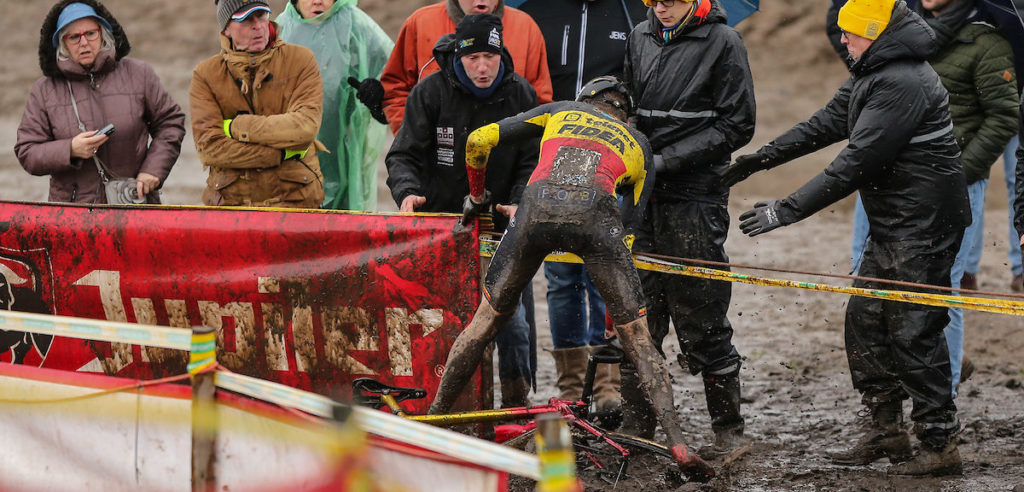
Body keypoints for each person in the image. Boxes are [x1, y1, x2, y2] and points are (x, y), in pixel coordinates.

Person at [722, 0, 970, 476]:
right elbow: (826, 123)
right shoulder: (871, 71)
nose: (842, 41)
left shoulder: (902, 82)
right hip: (894, 222)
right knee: (865, 320)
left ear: (876, 34)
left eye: (851, 34)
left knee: (913, 329)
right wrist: (763, 159)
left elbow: (856, 162)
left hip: (926, 224)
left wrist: (785, 209)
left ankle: (940, 443)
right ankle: (886, 429)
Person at [429, 76, 715, 481]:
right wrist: (617, 310)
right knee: (640, 341)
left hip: (534, 212)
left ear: (586, 100)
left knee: (484, 322)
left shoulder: (559, 110)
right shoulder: (638, 143)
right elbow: (630, 230)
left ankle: (430, 424)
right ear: (625, 114)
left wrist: (477, 197)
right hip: (597, 221)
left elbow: (478, 140)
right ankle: (680, 447)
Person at [848, 0, 1018, 393]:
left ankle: (947, 391)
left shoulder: (987, 41)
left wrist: (958, 173)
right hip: (886, 179)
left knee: (944, 288)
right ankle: (893, 391)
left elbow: (1003, 117)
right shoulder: (898, 34)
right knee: (868, 280)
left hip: (950, 185)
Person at [622, 0, 755, 459]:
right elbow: (632, 106)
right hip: (643, 193)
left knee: (702, 311)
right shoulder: (639, 36)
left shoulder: (724, 41)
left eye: (672, 0)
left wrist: (665, 162)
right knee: (637, 310)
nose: (661, 8)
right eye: (653, 0)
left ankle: (729, 431)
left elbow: (739, 124)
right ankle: (637, 429)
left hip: (697, 194)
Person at [385, 14, 539, 407]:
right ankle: (449, 403)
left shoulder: (521, 94)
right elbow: (404, 155)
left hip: (502, 224)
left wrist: (521, 198)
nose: (483, 67)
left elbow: (533, 158)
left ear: (501, 54)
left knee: (512, 323)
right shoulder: (431, 92)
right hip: (443, 225)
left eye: (490, 56)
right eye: (474, 59)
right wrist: (408, 193)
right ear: (459, 56)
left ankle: (517, 403)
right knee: (441, 319)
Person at [516, 0, 648, 421]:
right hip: (554, 156)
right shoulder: (539, 11)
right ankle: (572, 388)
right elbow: (531, 82)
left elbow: (638, 85)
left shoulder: (631, 13)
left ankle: (607, 383)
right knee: (560, 279)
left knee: (601, 274)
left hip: (608, 159)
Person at [15, 0, 185, 204]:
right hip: (73, 215)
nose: (84, 43)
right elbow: (27, 152)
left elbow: (170, 124)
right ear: (62, 43)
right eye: (74, 37)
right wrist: (70, 149)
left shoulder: (139, 74)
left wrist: (152, 171)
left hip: (135, 205)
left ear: (102, 33)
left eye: (90, 33)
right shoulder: (44, 90)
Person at [190, 0, 325, 209]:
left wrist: (238, 127)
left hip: (295, 199)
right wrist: (278, 154)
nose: (258, 26)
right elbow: (209, 148)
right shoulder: (205, 74)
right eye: (246, 20)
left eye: (262, 16)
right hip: (231, 203)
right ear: (226, 29)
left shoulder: (302, 60)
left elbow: (304, 128)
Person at [276, 0, 393, 211]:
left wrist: (378, 98)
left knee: (342, 223)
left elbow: (394, 73)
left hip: (343, 150)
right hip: (290, 154)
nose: (318, 1)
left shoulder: (356, 25)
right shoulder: (280, 30)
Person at [376, 0, 553, 134]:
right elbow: (395, 89)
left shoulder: (525, 27)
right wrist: (410, 134)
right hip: (435, 160)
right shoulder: (420, 23)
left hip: (504, 159)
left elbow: (540, 103)